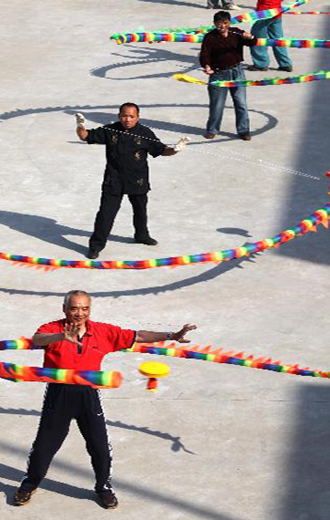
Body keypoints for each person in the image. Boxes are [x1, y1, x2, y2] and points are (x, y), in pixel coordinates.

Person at [13, 290, 197, 509]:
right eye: (74, 308)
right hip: (59, 393)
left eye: (84, 308)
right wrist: (62, 337)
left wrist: (171, 336)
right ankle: (30, 483)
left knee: (99, 446)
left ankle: (104, 488)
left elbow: (137, 336)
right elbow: (37, 339)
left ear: (90, 309)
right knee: (44, 446)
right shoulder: (52, 328)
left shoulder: (103, 331)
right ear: (64, 309)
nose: (79, 313)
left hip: (88, 395)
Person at [76, 103, 189, 259]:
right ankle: (96, 246)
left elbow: (162, 150)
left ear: (137, 117)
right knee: (105, 214)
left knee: (140, 211)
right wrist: (80, 125)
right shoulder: (110, 130)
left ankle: (142, 235)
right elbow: (85, 136)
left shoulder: (145, 133)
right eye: (124, 116)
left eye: (131, 116)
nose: (127, 120)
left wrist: (176, 149)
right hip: (113, 179)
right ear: (118, 116)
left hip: (138, 179)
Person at [199, 11, 257, 141]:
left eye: (225, 23)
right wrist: (207, 66)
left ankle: (244, 131)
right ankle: (212, 129)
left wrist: (250, 37)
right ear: (214, 24)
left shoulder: (236, 33)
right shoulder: (210, 37)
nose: (223, 26)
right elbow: (204, 54)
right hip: (219, 74)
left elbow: (253, 43)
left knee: (241, 103)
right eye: (219, 24)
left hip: (237, 72)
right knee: (217, 104)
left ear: (229, 23)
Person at [248, 0, 293, 72]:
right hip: (276, 12)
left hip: (263, 13)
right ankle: (285, 64)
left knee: (258, 40)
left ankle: (261, 64)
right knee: (278, 40)